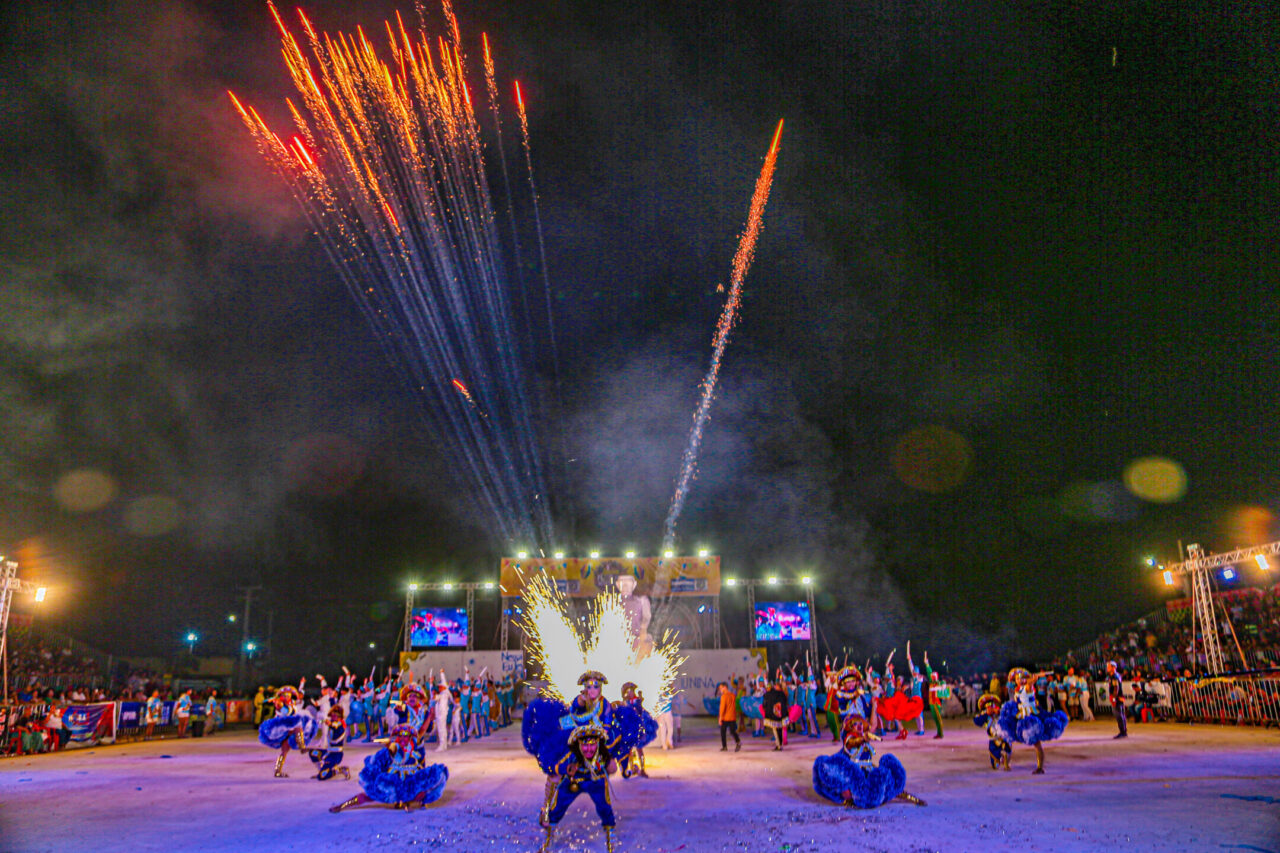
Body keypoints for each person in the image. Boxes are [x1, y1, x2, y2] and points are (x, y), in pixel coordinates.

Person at [330, 723, 448, 812]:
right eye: (400, 736)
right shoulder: (394, 747)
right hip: (394, 780)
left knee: (426, 785)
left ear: (410, 738)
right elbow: (389, 749)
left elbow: (421, 732)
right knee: (369, 796)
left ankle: (410, 802)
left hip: (411, 779)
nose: (402, 738)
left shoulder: (414, 748)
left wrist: (430, 717)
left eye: (405, 736)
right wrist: (385, 744)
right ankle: (342, 806)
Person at [812, 714, 925, 808]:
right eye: (855, 724)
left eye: (860, 723)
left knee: (884, 774)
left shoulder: (863, 734)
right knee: (860, 787)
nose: (859, 726)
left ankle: (898, 792)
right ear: (850, 727)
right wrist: (863, 739)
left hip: (868, 769)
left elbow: (874, 725)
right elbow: (852, 743)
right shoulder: (849, 738)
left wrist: (874, 706)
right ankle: (851, 797)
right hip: (853, 773)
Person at [539, 724, 618, 853]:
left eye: (592, 744)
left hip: (596, 781)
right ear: (579, 745)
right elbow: (556, 772)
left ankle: (611, 839)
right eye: (584, 745)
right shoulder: (572, 756)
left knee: (605, 807)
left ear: (598, 744)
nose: (588, 749)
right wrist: (566, 770)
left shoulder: (603, 755)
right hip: (573, 781)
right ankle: (547, 841)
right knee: (558, 807)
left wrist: (609, 763)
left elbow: (613, 768)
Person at [998, 668, 1069, 774]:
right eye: (1017, 679)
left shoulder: (1028, 687)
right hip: (1020, 715)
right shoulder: (1019, 689)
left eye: (1022, 678)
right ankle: (1006, 763)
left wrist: (1034, 678)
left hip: (1031, 717)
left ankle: (1040, 767)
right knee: (1009, 738)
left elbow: (1030, 683)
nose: (1020, 680)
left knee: (1036, 743)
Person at [258, 685, 319, 778]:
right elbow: (286, 713)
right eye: (285, 695)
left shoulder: (292, 703)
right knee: (298, 728)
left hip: (288, 727)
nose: (287, 697)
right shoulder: (280, 704)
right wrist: (277, 703)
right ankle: (302, 747)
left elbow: (294, 710)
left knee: (284, 750)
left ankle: (277, 771)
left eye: (289, 695)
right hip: (281, 727)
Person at [973, 693, 1012, 771]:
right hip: (993, 738)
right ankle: (999, 760)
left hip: (1004, 736)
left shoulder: (1002, 711)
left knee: (1007, 749)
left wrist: (999, 712)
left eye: (992, 705)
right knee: (994, 762)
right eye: (988, 706)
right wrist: (986, 714)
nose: (990, 707)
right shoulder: (984, 715)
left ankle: (1006, 764)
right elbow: (977, 721)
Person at [762, 678, 789, 750]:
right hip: (781, 715)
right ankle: (780, 744)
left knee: (776, 730)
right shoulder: (782, 694)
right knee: (780, 730)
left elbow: (765, 699)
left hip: (775, 716)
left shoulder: (773, 694)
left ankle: (779, 745)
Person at [1106, 661, 1128, 739]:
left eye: (1109, 667)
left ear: (1113, 667)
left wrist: (1114, 697)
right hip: (1119, 697)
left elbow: (1116, 687)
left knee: (1119, 715)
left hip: (1117, 697)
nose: (1107, 668)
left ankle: (1122, 732)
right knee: (1121, 714)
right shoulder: (1116, 675)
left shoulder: (1114, 676)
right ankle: (1124, 731)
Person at [717, 681, 741, 752]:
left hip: (725, 717)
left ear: (725, 687)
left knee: (723, 732)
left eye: (721, 688)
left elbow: (722, 708)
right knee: (733, 731)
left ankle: (724, 746)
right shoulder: (733, 695)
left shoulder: (724, 697)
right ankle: (738, 742)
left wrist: (720, 718)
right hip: (732, 717)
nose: (720, 690)